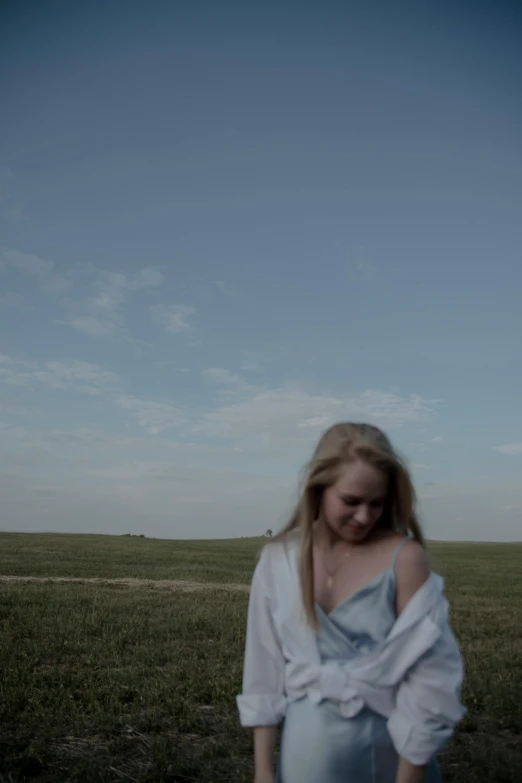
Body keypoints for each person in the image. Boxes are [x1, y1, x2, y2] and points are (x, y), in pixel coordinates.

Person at [237, 422, 466, 783]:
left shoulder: (405, 559)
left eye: (376, 504)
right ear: (319, 488)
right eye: (351, 501)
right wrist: (264, 773)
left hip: (385, 758)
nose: (364, 517)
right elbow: (263, 669)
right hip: (304, 756)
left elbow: (430, 680)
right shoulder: (278, 559)